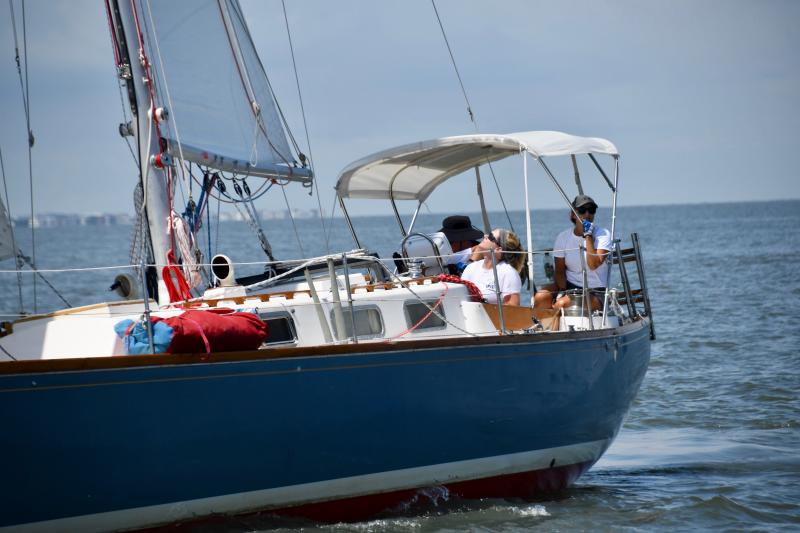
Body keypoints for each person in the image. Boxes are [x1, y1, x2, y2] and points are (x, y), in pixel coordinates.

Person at [534, 195, 611, 311]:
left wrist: (588, 236)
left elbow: (593, 265)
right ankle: (541, 327)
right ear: (573, 215)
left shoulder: (603, 234)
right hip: (570, 288)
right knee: (540, 297)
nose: (587, 214)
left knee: (561, 304)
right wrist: (564, 291)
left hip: (596, 292)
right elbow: (559, 272)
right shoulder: (563, 237)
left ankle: (552, 328)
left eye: (591, 210)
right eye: (582, 210)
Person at [461, 228, 525, 305]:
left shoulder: (508, 273)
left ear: (498, 249)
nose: (485, 236)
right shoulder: (471, 268)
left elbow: (512, 308)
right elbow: (460, 296)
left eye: (491, 236)